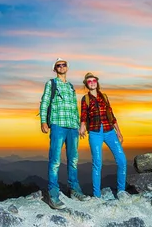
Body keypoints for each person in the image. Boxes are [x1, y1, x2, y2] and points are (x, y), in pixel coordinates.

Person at [40, 58, 91, 209]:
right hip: (58, 125)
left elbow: (75, 108)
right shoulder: (51, 83)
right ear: (55, 69)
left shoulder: (70, 86)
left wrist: (79, 125)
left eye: (64, 64)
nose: (61, 67)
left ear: (67, 67)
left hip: (72, 127)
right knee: (55, 160)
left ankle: (74, 190)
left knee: (73, 160)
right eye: (58, 65)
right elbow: (45, 102)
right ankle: (53, 195)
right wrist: (43, 121)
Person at [78, 71, 128, 199]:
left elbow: (111, 115)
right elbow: (83, 114)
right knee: (97, 163)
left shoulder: (104, 97)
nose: (92, 83)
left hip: (109, 131)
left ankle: (121, 191)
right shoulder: (86, 99)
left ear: (97, 83)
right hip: (95, 133)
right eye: (89, 81)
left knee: (122, 160)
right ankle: (97, 195)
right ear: (86, 84)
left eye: (94, 80)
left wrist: (119, 131)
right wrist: (82, 125)